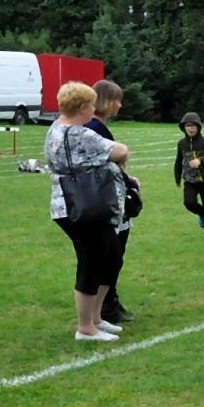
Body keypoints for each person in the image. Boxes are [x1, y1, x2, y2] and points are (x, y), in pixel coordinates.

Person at [44, 81, 128, 342]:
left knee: (111, 255)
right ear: (82, 107)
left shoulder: (55, 129)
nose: (94, 109)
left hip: (69, 204)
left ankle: (96, 317)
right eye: (91, 105)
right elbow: (121, 151)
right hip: (82, 205)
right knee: (91, 261)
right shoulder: (81, 134)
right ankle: (85, 327)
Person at [89, 80, 138, 325]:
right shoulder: (95, 128)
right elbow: (108, 162)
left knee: (112, 253)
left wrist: (128, 179)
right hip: (106, 200)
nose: (120, 105)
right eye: (117, 99)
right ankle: (106, 306)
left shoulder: (98, 127)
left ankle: (109, 303)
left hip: (110, 195)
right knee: (111, 254)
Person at [174, 112, 204, 239]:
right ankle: (202, 214)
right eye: (188, 126)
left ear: (198, 127)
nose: (190, 128)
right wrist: (177, 177)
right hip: (190, 181)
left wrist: (201, 161)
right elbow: (178, 161)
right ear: (184, 127)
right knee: (189, 202)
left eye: (193, 125)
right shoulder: (181, 144)